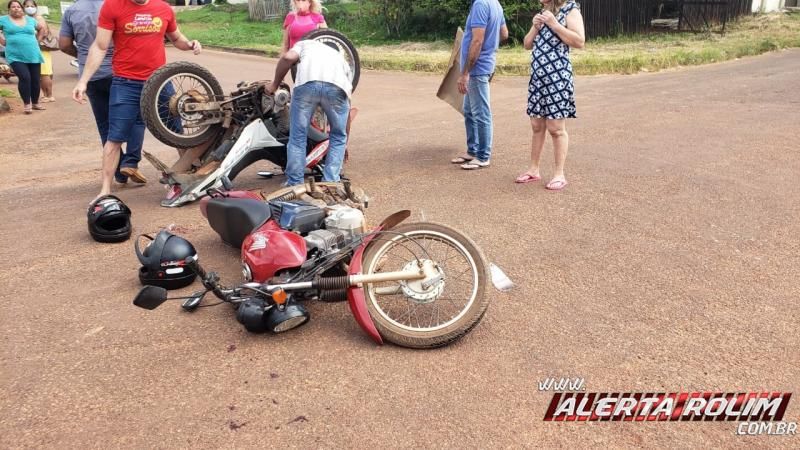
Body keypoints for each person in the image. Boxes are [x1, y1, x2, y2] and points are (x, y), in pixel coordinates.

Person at [71, 0, 202, 204]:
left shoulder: (164, 8)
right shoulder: (112, 6)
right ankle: (105, 190)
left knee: (176, 131)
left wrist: (190, 44)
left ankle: (189, 178)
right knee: (115, 136)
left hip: (160, 80)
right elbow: (99, 45)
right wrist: (83, 81)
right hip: (126, 83)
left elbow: (176, 38)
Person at [60, 0, 145, 185]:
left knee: (105, 124)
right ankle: (130, 161)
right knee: (135, 117)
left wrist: (82, 55)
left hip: (92, 76)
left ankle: (119, 171)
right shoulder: (117, 6)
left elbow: (64, 44)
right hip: (121, 73)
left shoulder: (72, 11)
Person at [516, 0, 584, 190]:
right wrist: (535, 27)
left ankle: (559, 174)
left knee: (556, 128)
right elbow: (526, 44)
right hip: (538, 79)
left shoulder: (570, 9)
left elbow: (579, 41)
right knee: (537, 125)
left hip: (558, 79)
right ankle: (533, 170)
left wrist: (555, 25)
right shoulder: (544, 11)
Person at [265, 39, 351, 186]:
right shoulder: (342, 60)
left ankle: (295, 183)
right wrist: (344, 141)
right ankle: (330, 182)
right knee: (338, 137)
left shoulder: (306, 44)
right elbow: (348, 105)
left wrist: (274, 84)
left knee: (298, 137)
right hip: (337, 88)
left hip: (307, 85)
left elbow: (287, 58)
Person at [450, 0, 508, 170]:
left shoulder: (480, 5)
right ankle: (473, 151)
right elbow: (504, 33)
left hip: (478, 68)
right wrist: (491, 43)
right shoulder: (495, 3)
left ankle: (483, 156)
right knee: (469, 110)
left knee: (481, 113)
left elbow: (477, 41)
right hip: (484, 64)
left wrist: (465, 73)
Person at [0, 0, 44, 114]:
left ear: (21, 8)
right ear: (9, 9)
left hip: (33, 53)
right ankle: (27, 104)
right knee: (25, 77)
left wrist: (38, 41)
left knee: (35, 80)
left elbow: (42, 29)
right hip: (15, 55)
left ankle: (35, 103)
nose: (16, 8)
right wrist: (2, 41)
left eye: (18, 7)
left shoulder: (30, 20)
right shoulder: (3, 20)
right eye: (13, 7)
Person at [22, 0, 52, 101]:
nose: (29, 8)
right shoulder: (27, 18)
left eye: (31, 6)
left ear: (36, 7)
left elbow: (44, 32)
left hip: (40, 48)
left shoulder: (38, 18)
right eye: (27, 6)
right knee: (39, 73)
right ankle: (45, 94)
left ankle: (49, 95)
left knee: (44, 72)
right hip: (33, 49)